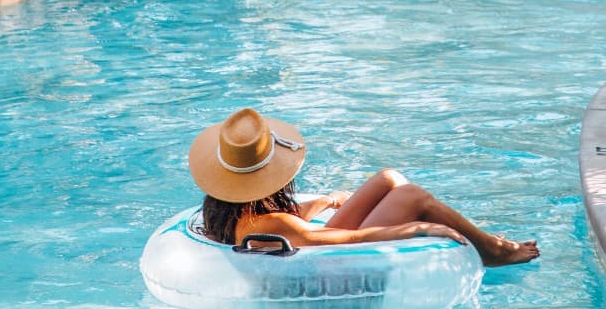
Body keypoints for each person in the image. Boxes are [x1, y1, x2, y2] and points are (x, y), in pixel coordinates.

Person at [188, 108, 539, 268]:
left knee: (388, 178)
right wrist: (419, 228)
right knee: (411, 196)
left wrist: (328, 200)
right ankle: (493, 251)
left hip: (314, 251)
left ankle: (481, 239)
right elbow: (351, 239)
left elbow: (288, 221)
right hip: (332, 270)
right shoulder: (276, 224)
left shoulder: (234, 211)